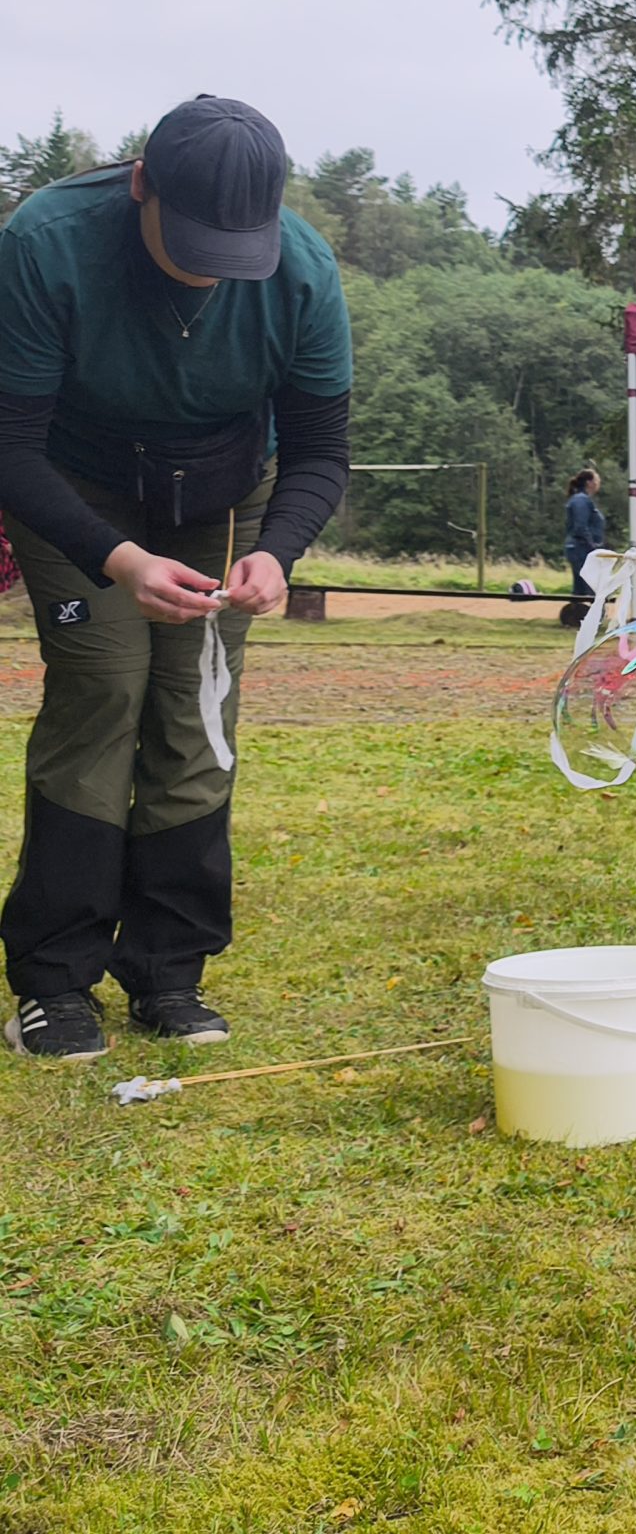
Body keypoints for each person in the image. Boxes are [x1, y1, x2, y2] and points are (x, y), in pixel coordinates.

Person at [0, 96, 352, 1059]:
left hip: (223, 487)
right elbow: (11, 443)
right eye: (194, 241)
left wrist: (278, 551)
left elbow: (320, 448)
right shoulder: (45, 243)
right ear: (140, 185)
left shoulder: (304, 271)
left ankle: (168, 971)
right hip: (74, 483)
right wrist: (115, 559)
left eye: (237, 249)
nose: (212, 269)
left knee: (197, 711)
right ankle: (54, 980)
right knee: (104, 691)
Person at [563, 467, 607, 621]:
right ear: (589, 483)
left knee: (580, 585)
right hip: (580, 548)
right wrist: (592, 546)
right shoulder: (581, 500)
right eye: (597, 480)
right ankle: (592, 616)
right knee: (590, 583)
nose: (598, 483)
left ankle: (576, 615)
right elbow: (580, 526)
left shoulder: (582, 500)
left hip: (579, 547)